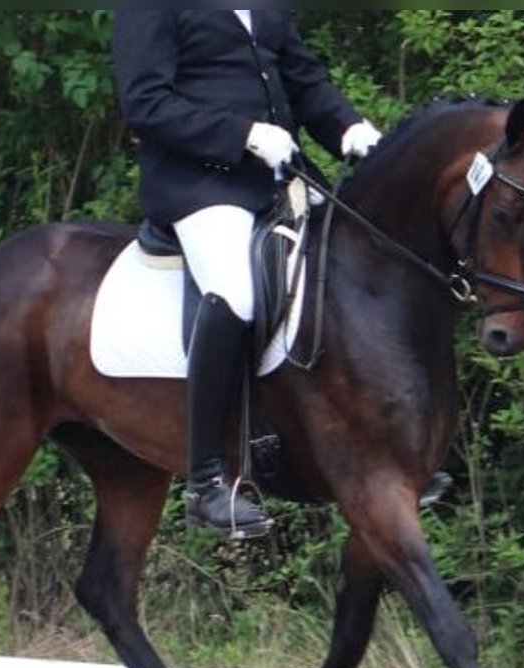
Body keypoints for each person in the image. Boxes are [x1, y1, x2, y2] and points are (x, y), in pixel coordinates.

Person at [113, 10, 382, 539]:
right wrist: (243, 135)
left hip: (278, 184)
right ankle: (207, 481)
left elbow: (306, 82)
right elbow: (144, 102)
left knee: (359, 261)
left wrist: (349, 128)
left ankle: (379, 440)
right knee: (235, 290)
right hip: (200, 186)